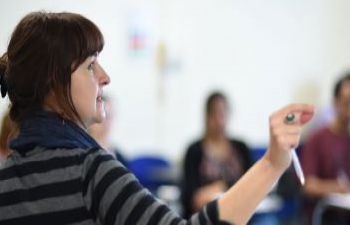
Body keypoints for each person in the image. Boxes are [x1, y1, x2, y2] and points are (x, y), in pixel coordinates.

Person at [0, 11, 314, 225]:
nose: (105, 77)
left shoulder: (6, 177)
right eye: (90, 65)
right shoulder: (90, 171)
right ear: (54, 82)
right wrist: (272, 163)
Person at [181, 92, 253, 218]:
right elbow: (192, 199)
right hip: (205, 217)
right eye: (215, 114)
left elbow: (252, 187)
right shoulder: (194, 151)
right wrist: (230, 189)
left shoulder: (241, 148)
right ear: (207, 116)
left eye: (223, 113)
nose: (220, 120)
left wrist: (219, 188)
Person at [301, 73, 350, 225]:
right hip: (327, 215)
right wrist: (338, 187)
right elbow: (308, 186)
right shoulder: (318, 138)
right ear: (335, 103)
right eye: (347, 103)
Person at [88, 95, 129, 167]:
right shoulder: (80, 153)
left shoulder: (120, 157)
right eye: (101, 115)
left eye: (109, 116)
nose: (105, 122)